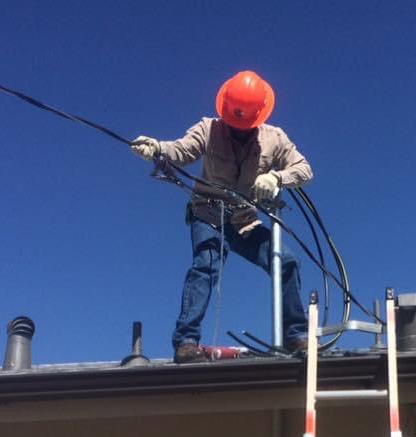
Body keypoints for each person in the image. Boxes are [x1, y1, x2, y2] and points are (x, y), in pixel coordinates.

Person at [131, 70, 313, 363]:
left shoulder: (274, 138)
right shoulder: (208, 129)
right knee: (206, 265)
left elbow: (304, 169)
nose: (238, 130)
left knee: (286, 261)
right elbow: (180, 150)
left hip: (243, 221)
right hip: (208, 214)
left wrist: (277, 178)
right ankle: (186, 342)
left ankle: (295, 336)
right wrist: (157, 148)